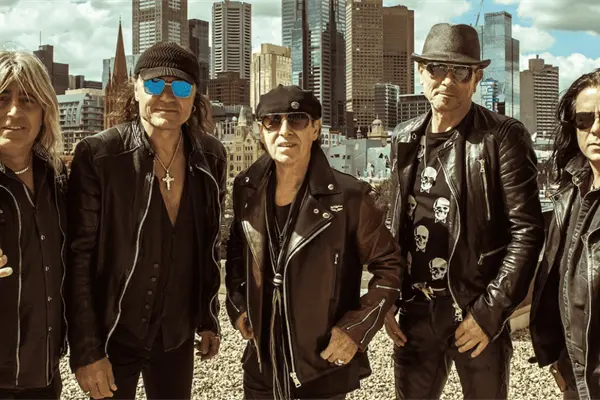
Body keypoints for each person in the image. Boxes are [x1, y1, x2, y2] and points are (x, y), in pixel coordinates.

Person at [383, 23, 544, 399]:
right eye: (437, 68)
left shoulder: (502, 136)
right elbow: (395, 222)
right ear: (420, 72)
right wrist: (386, 295)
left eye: (460, 71)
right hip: (415, 311)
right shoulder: (404, 137)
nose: (447, 80)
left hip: (474, 307)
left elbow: (527, 231)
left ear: (476, 79)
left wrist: (489, 313)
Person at [66, 42, 226, 400]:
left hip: (176, 334)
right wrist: (88, 350)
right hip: (114, 333)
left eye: (181, 86)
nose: (167, 96)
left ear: (194, 96)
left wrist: (208, 317)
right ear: (136, 88)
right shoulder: (99, 155)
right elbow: (78, 258)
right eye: (154, 84)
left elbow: (209, 245)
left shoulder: (211, 155)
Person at [225, 84, 404, 400]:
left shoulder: (350, 197)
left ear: (316, 129)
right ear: (260, 131)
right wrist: (240, 306)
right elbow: (238, 252)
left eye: (296, 120)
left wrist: (354, 330)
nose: (284, 131)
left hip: (322, 366)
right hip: (261, 365)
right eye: (272, 121)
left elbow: (389, 265)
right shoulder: (246, 188)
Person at [0, 51, 68, 400]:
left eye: (27, 100)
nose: (14, 111)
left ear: (45, 113)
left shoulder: (56, 177)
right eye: (2, 99)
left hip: (43, 371)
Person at [530, 68, 600, 400]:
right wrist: (559, 358)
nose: (595, 129)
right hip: (578, 375)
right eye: (585, 120)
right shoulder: (570, 194)